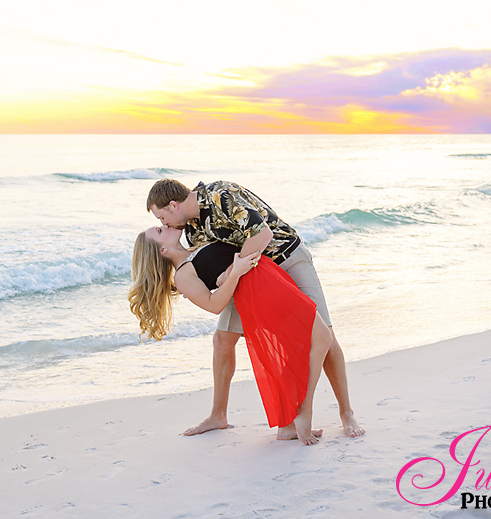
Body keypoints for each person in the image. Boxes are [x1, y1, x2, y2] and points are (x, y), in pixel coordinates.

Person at [146, 179, 365, 439]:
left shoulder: (221, 195)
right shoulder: (192, 230)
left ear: (173, 205)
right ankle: (219, 415)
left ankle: (346, 413)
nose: (164, 224)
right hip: (252, 278)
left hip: (287, 259)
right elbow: (208, 263)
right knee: (222, 339)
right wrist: (191, 284)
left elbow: (263, 236)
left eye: (162, 218)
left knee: (325, 337)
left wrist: (229, 272)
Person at [129, 225, 331, 444]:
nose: (165, 226)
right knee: (321, 338)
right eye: (159, 231)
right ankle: (303, 413)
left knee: (303, 343)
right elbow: (214, 304)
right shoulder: (182, 275)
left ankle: (287, 425)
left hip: (267, 276)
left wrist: (230, 271)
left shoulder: (195, 244)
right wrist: (235, 271)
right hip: (260, 286)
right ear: (162, 251)